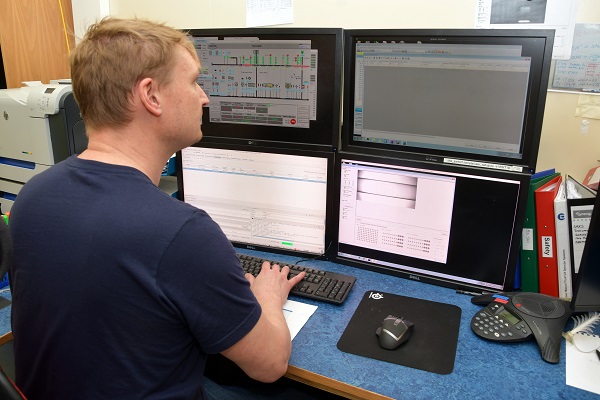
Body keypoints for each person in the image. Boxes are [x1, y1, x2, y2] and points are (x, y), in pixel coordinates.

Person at [8, 17, 305, 400]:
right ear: (151, 95)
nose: (205, 97)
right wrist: (267, 295)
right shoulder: (180, 232)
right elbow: (269, 364)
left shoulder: (32, 197)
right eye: (195, 80)